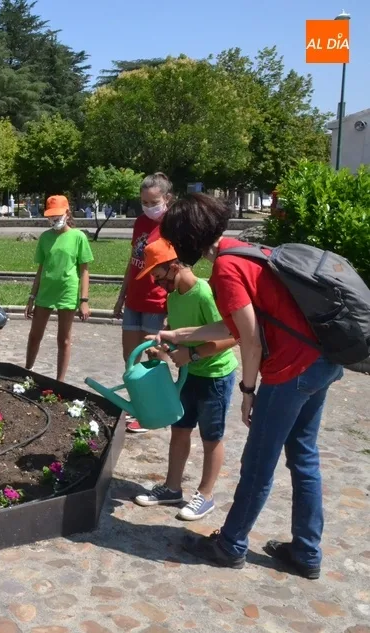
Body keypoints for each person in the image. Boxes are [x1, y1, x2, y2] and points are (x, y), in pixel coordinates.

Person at [157, 193, 342, 578]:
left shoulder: (226, 268)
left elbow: (250, 339)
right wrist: (180, 334)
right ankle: (307, 552)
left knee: (258, 461)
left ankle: (230, 545)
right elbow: (233, 325)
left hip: (290, 370)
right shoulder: (244, 251)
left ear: (188, 237)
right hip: (319, 360)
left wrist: (247, 391)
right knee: (304, 456)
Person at [132, 238, 238, 521]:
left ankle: (206, 495)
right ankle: (172, 487)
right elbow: (179, 334)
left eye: (159, 277)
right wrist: (163, 348)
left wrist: (192, 355)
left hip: (215, 376)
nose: (158, 284)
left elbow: (231, 336)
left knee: (211, 437)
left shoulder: (204, 293)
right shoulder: (174, 296)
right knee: (179, 430)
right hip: (189, 375)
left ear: (174, 265)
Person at [113, 172, 173, 433]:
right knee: (130, 356)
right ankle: (138, 403)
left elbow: (179, 269)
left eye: (154, 202)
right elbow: (133, 260)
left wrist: (172, 309)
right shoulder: (140, 222)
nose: (149, 207)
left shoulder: (174, 225)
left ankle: (156, 408)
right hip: (135, 299)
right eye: (144, 202)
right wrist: (122, 295)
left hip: (157, 300)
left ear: (167, 198)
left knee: (154, 358)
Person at [24, 195, 92, 381]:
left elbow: (84, 270)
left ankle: (59, 382)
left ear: (67, 213)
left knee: (64, 339)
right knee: (35, 335)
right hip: (45, 291)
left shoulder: (78, 237)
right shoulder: (45, 237)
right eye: (51, 216)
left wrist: (84, 300)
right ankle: (27, 372)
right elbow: (40, 269)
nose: (54, 220)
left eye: (58, 215)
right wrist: (31, 297)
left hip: (67, 291)